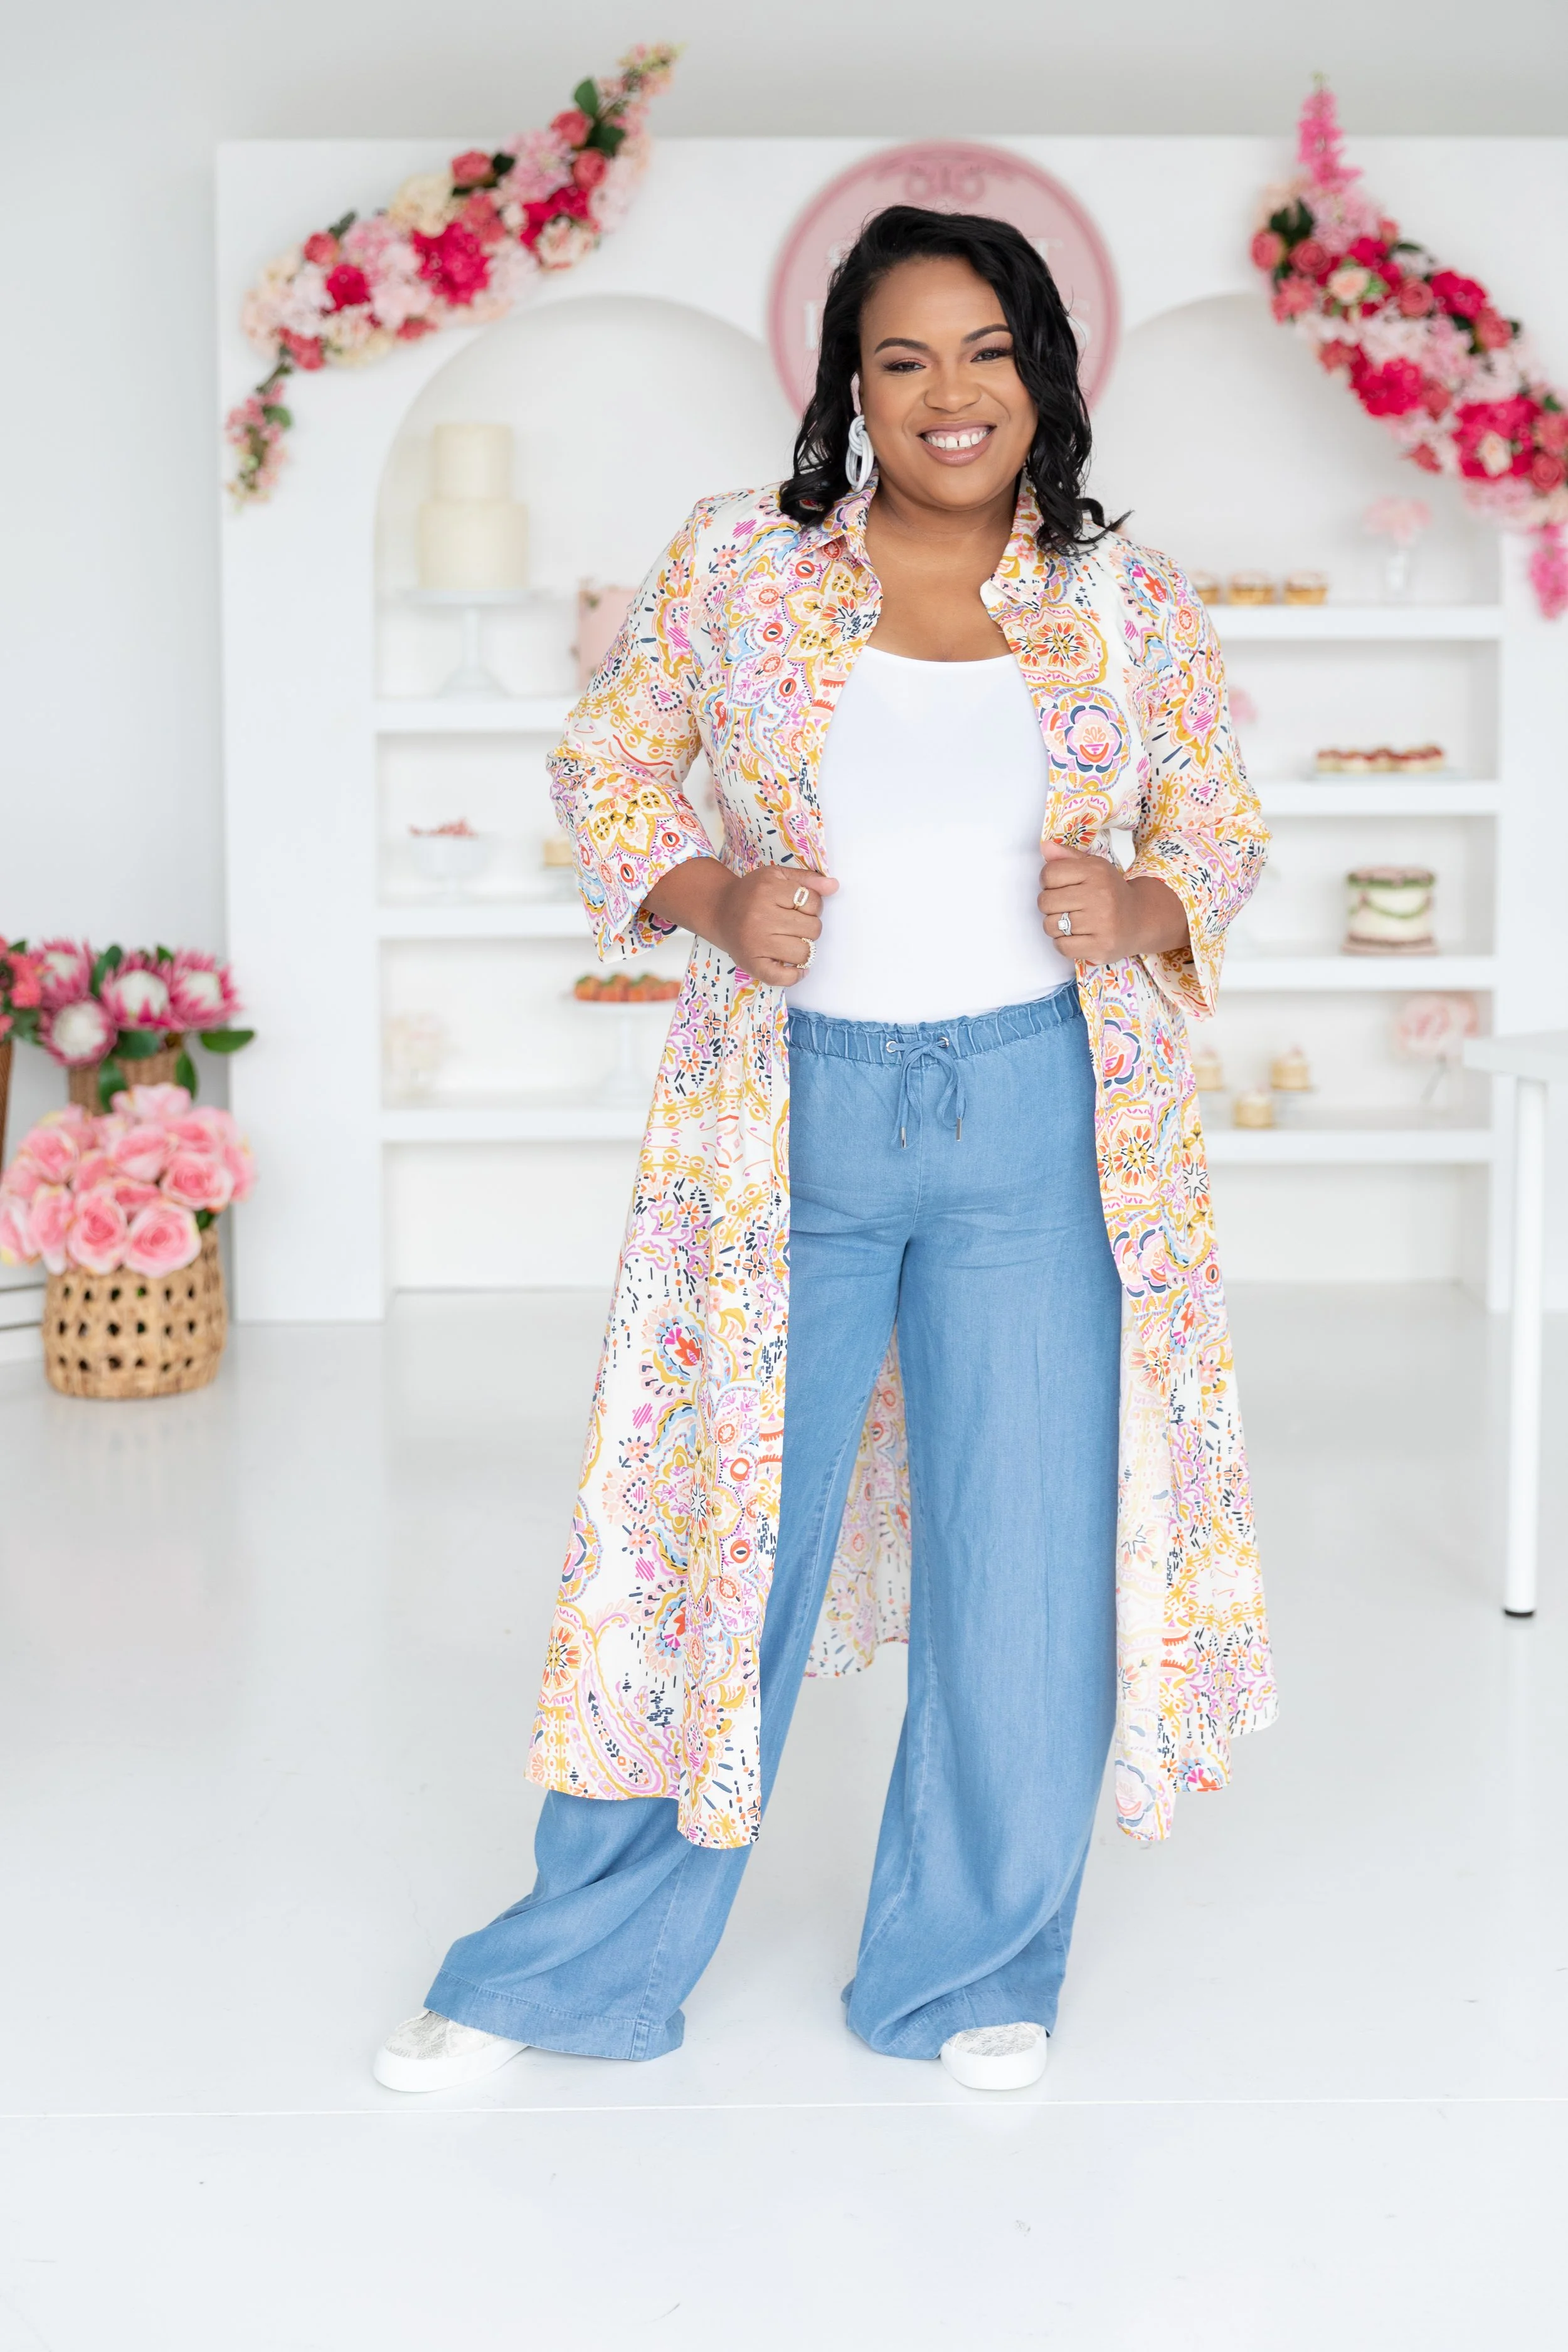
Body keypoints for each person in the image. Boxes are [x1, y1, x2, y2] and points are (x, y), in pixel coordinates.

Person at [375, 204, 1276, 2098]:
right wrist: (709, 888)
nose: (950, 394)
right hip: (786, 1121)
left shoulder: (1124, 600)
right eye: (902, 358)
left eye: (984, 351)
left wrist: (1142, 894)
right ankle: (564, 1972)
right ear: (848, 388)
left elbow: (1217, 810)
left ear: (1042, 370)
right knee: (701, 1544)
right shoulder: (741, 564)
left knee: (1023, 1568)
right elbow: (604, 762)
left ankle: (966, 1968)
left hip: (1042, 1120)